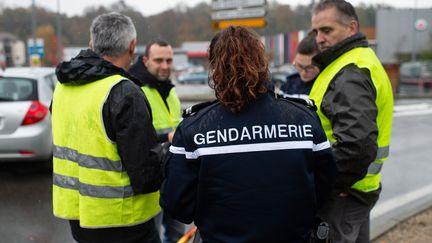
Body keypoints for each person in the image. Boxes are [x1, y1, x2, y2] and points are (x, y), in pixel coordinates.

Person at [160, 26, 337, 242]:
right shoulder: (303, 119)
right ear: (262, 63)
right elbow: (325, 190)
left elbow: (177, 206)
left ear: (215, 68)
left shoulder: (194, 129)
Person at [51, 12, 163, 243]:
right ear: (132, 46)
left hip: (79, 217)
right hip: (125, 222)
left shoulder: (62, 89)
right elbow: (145, 175)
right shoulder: (124, 92)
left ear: (92, 44)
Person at [309, 0, 394, 242]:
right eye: (316, 31)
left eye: (327, 30)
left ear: (352, 27)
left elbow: (356, 146)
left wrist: (325, 186)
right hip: (357, 190)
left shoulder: (350, 72)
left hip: (342, 196)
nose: (319, 38)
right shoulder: (357, 61)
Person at [129, 39, 184, 243]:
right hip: (152, 175)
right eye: (158, 60)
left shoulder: (169, 89)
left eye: (169, 60)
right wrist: (167, 137)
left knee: (176, 232)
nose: (165, 66)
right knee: (152, 235)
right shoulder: (135, 89)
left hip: (175, 171)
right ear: (145, 61)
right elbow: (134, 136)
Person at [280, 33, 320, 99]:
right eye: (300, 66)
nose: (303, 73)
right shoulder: (288, 84)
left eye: (309, 68)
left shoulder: (327, 87)